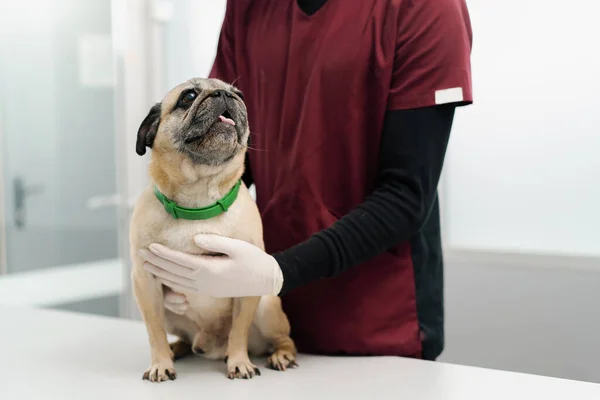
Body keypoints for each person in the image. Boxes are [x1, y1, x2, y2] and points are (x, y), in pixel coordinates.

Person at [140, 0, 473, 361]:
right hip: (258, 327)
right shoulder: (248, 7)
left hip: (378, 329)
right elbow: (231, 149)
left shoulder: (425, 8)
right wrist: (182, 246)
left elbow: (405, 196)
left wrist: (279, 272)